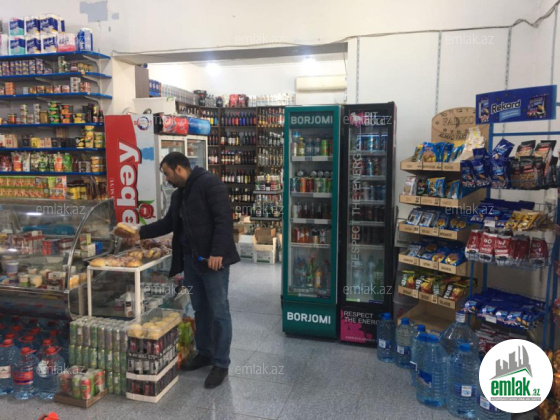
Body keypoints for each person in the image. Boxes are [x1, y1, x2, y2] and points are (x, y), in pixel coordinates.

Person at [123, 152, 240, 388]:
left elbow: (224, 220)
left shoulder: (210, 184)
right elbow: (168, 223)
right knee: (200, 308)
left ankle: (221, 363)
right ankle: (205, 352)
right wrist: (140, 233)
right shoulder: (179, 195)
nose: (166, 179)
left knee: (219, 311)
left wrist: (217, 251)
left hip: (212, 261)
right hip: (191, 261)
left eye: (167, 174)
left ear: (178, 169)